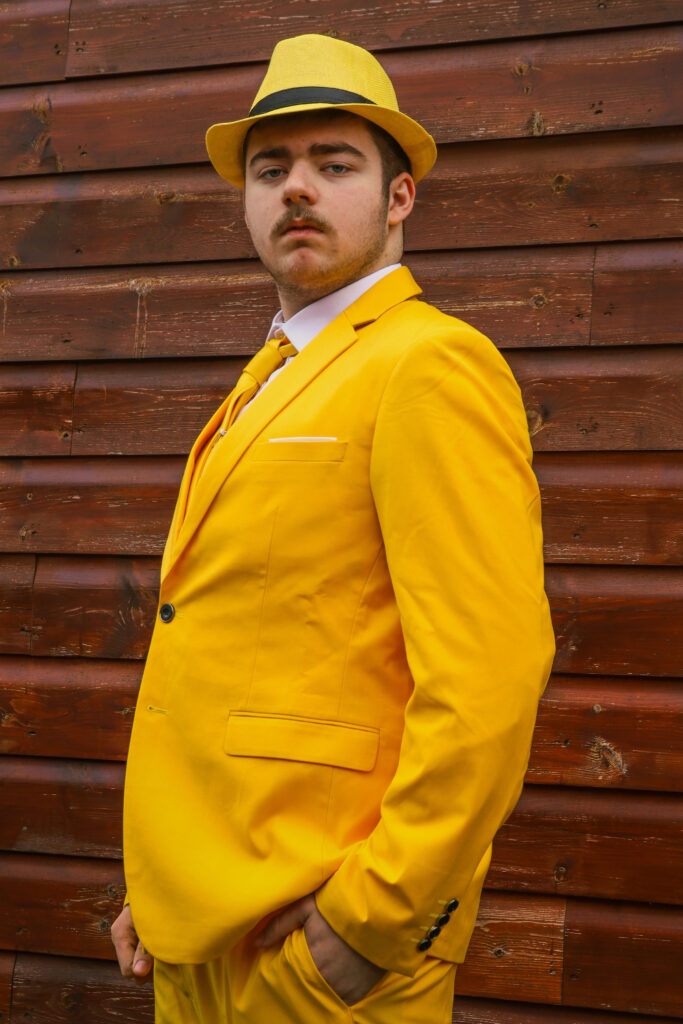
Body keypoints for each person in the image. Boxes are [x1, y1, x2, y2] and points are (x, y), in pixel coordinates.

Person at [111, 33, 556, 1023]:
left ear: (398, 197)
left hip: (319, 947)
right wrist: (165, 884)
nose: (297, 189)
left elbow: (487, 678)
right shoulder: (271, 372)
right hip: (199, 926)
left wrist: (373, 920)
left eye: (334, 164)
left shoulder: (427, 363)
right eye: (271, 169)